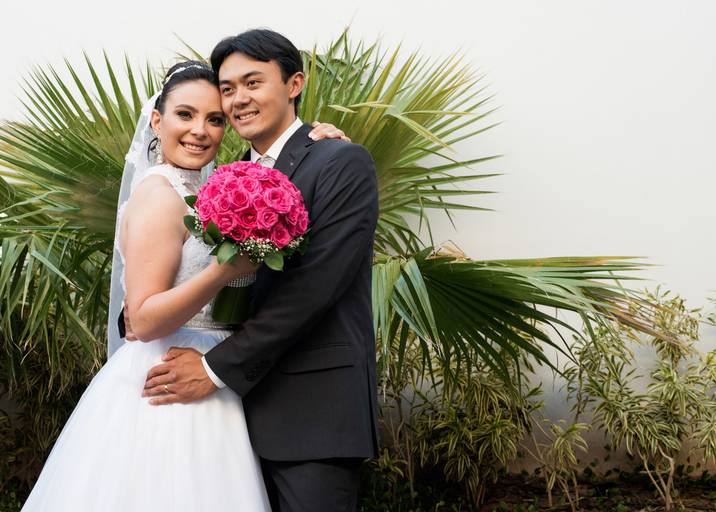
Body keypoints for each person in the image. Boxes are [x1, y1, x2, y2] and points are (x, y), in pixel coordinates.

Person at [21, 60, 347, 512]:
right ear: (157, 121)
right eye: (185, 115)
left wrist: (321, 144)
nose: (200, 131)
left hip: (216, 374)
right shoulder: (160, 194)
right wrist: (222, 271)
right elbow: (144, 319)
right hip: (171, 377)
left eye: (214, 119)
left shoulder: (217, 189)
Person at [140, 29, 380, 512]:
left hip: (311, 411)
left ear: (294, 84)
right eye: (228, 89)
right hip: (225, 419)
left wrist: (213, 368)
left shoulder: (339, 161)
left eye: (253, 83)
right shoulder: (222, 179)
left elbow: (313, 289)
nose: (238, 100)